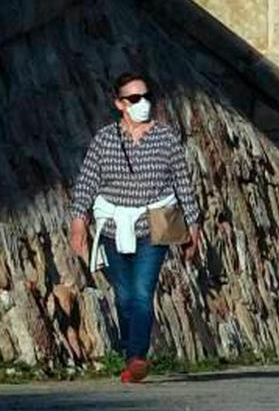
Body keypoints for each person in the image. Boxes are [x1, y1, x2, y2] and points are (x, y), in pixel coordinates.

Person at [68, 72, 202, 383]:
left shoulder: (166, 138)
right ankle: (130, 348)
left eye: (146, 96)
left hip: (152, 226)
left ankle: (136, 356)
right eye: (134, 98)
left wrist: (193, 224)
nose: (143, 103)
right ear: (119, 104)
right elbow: (87, 181)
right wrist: (78, 219)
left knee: (143, 291)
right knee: (124, 295)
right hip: (113, 228)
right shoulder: (104, 139)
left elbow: (183, 182)